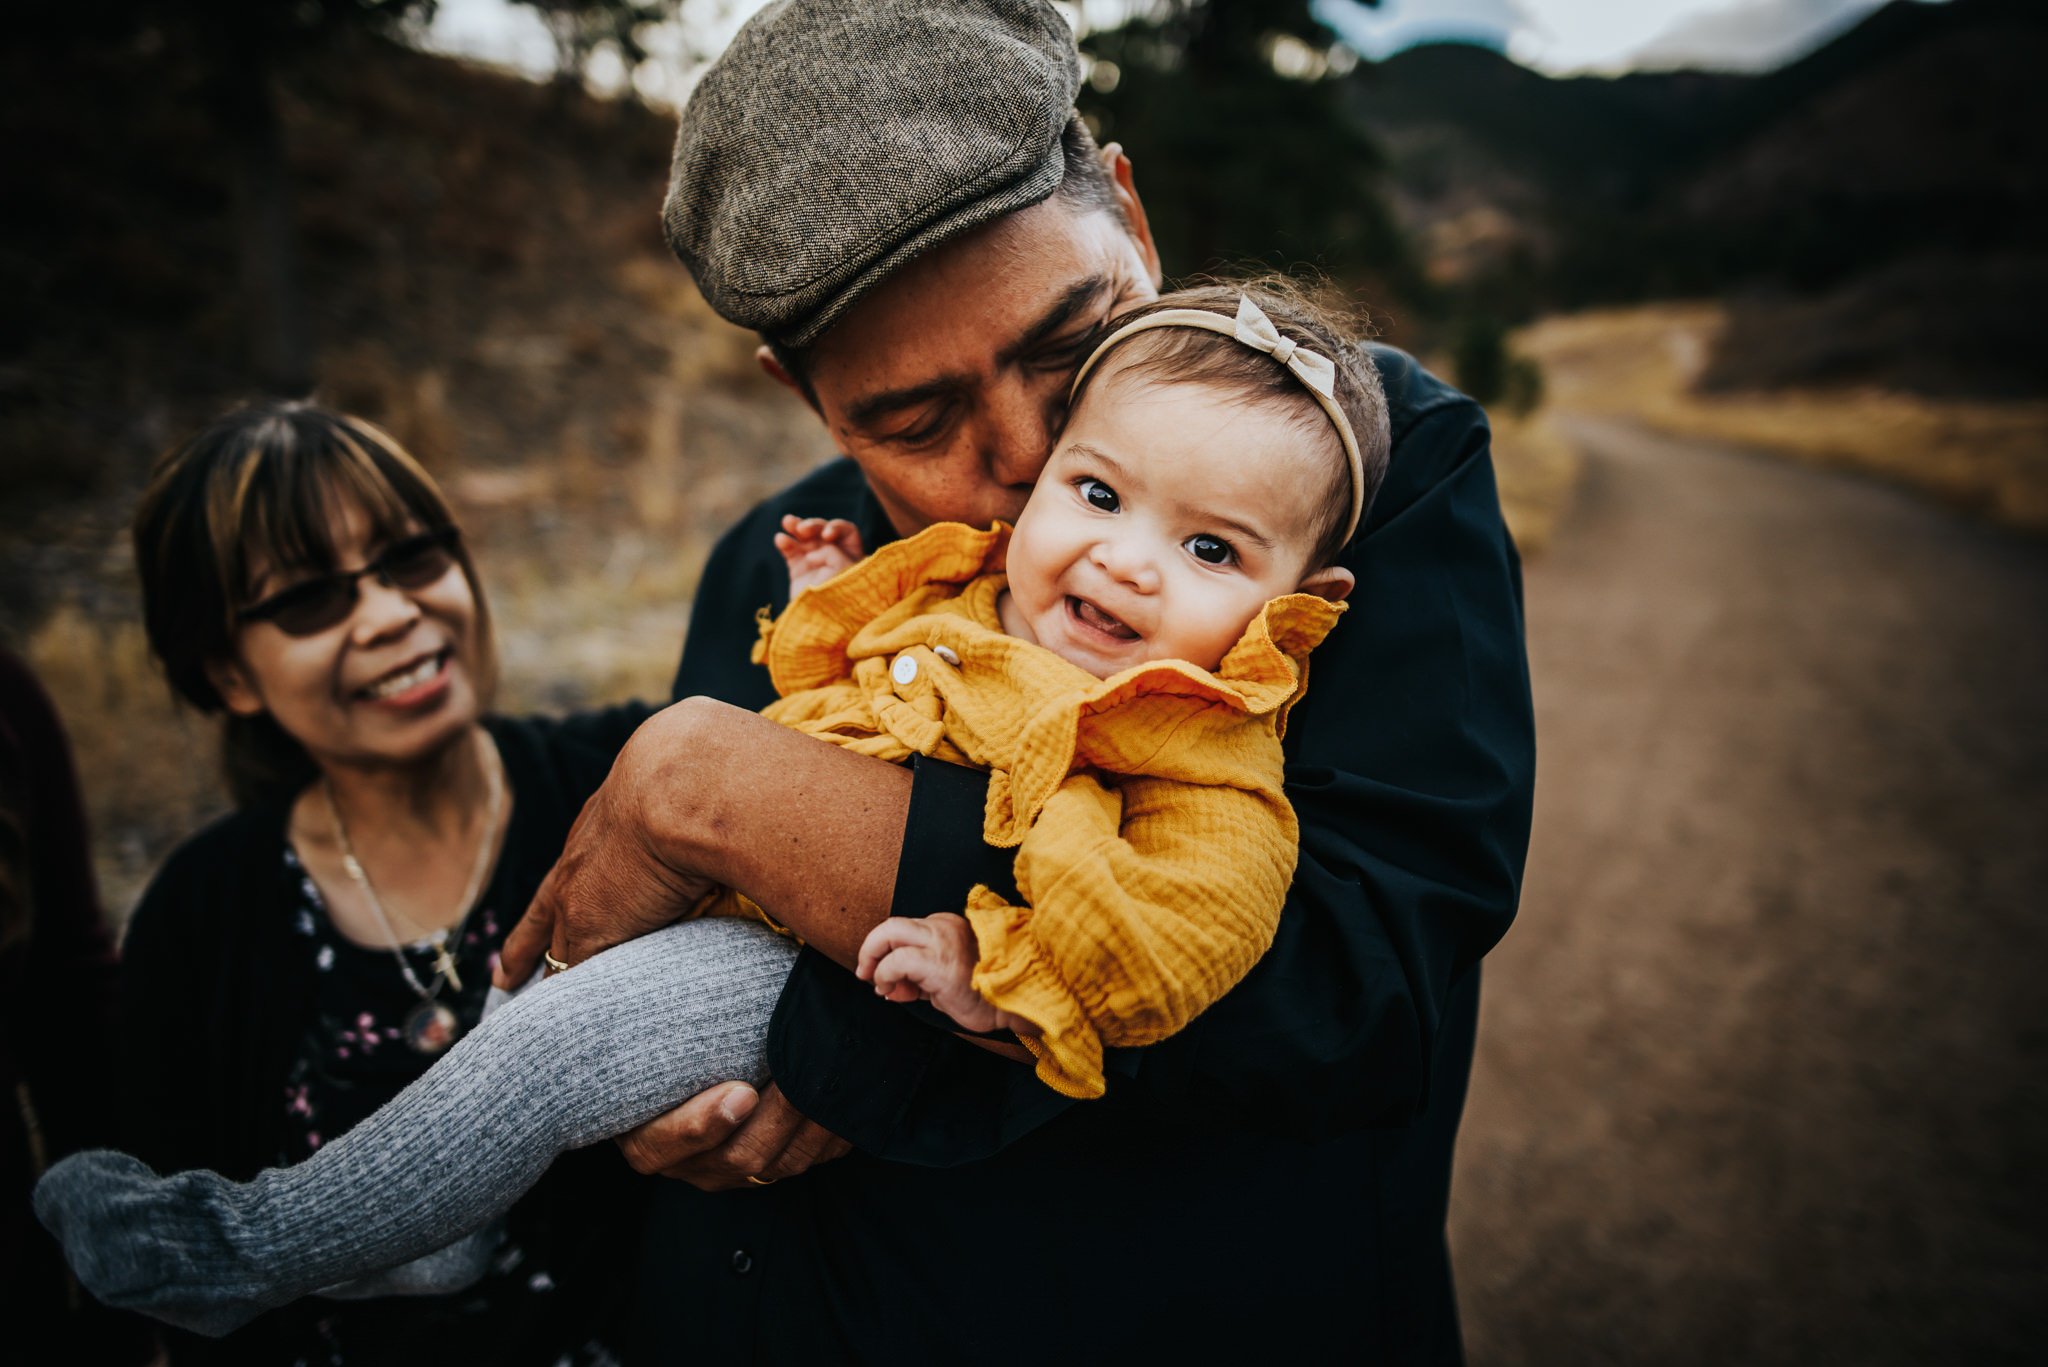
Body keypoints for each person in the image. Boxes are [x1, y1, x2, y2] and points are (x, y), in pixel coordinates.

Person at [35, 281, 1393, 1338]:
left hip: (779, 957)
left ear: (1299, 608)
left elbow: (1185, 935)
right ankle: (428, 1218)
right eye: (1095, 492)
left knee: (546, 1050)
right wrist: (821, 612)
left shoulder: (1200, 755)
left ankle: (243, 1246)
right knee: (522, 1053)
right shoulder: (973, 595)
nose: (1124, 556)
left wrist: (1001, 962)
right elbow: (819, 698)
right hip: (735, 916)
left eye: (1209, 547)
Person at [494, 3, 1535, 1362]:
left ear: (1132, 212)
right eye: (915, 420)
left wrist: (735, 795)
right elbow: (716, 949)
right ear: (802, 393)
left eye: (1068, 341)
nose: (1034, 453)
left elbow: (1354, 989)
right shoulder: (781, 557)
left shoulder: (1358, 467)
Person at [89, 402, 653, 1365]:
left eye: (414, 558)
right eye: (310, 599)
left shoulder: (630, 787)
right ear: (227, 672)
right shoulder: (201, 914)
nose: (393, 613)